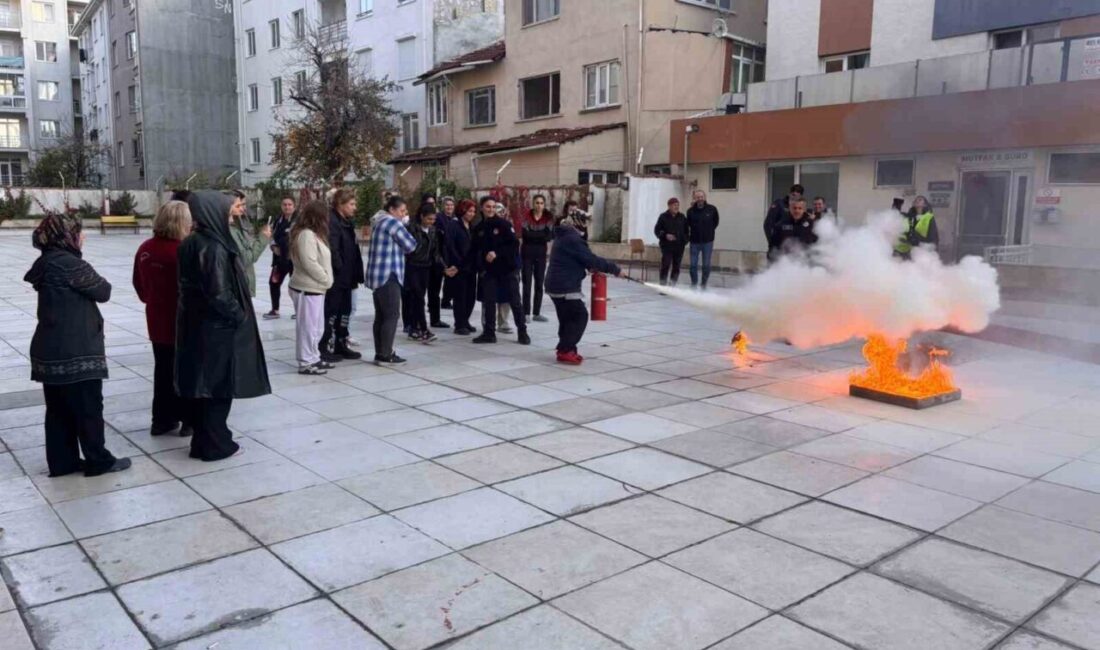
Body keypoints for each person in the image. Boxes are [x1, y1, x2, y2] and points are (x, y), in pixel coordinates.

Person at [26, 213, 131, 477]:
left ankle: (63, 463)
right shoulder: (69, 263)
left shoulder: (46, 262)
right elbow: (103, 290)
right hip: (76, 350)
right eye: (78, 232)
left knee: (58, 410)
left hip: (49, 349)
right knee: (88, 407)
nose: (82, 236)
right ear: (67, 236)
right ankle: (98, 460)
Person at [176, 192, 271, 461]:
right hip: (216, 329)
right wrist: (239, 315)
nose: (231, 214)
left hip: (199, 326)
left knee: (206, 387)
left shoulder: (192, 243)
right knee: (218, 387)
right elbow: (218, 293)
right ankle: (215, 443)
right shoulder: (213, 247)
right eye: (227, 210)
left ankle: (205, 440)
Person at [133, 200, 193, 437]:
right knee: (186, 371)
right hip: (181, 322)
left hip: (156, 321)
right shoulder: (182, 251)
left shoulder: (146, 248)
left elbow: (138, 284)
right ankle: (189, 418)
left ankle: (162, 419)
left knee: (163, 370)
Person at [545, 209, 625, 365]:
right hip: (565, 286)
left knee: (567, 319)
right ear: (578, 223)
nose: (586, 226)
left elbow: (578, 258)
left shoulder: (564, 235)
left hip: (555, 284)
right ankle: (566, 349)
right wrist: (615, 269)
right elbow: (590, 259)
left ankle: (567, 349)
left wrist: (587, 265)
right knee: (580, 316)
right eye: (585, 222)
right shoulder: (572, 238)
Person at [366, 195, 418, 364]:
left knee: (380, 317)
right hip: (389, 275)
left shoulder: (379, 222)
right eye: (402, 211)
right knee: (392, 316)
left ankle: (380, 352)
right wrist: (405, 225)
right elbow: (411, 245)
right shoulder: (392, 223)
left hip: (378, 276)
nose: (405, 214)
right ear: (392, 210)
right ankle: (385, 354)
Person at [473, 196, 529, 345]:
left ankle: (522, 332)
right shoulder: (478, 228)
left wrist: (497, 253)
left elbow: (513, 245)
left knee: (515, 302)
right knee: (489, 301)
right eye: (487, 207)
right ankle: (489, 333)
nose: (490, 210)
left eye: (493, 207)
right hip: (490, 272)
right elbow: (475, 250)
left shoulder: (503, 224)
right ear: (482, 208)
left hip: (507, 270)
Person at [288, 200, 334, 375]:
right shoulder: (306, 235)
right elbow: (309, 262)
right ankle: (306, 361)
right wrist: (326, 279)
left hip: (316, 288)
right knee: (308, 328)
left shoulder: (314, 234)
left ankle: (314, 357)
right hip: (307, 288)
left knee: (317, 327)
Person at [321, 188, 364, 362]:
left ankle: (341, 343)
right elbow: (333, 249)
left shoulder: (347, 222)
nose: (355, 208)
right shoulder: (333, 222)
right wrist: (340, 270)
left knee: (345, 312)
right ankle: (323, 346)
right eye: (352, 204)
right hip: (338, 279)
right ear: (341, 204)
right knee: (331, 312)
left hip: (348, 277)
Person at [404, 203, 454, 343]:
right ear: (421, 217)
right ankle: (423, 329)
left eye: (433, 219)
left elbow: (435, 253)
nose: (431, 222)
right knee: (418, 298)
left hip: (426, 267)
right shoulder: (411, 228)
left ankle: (414, 328)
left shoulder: (432, 231)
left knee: (419, 298)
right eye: (429, 219)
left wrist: (444, 267)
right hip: (413, 266)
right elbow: (410, 249)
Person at [227, 190, 272, 298]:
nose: (243, 208)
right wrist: (263, 238)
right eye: (239, 205)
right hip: (238, 286)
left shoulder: (236, 225)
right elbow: (246, 258)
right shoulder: (230, 231)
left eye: (243, 205)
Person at [444, 199, 479, 335]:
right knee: (460, 296)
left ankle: (465, 321)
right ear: (462, 210)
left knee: (470, 296)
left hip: (471, 266)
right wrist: (456, 263)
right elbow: (450, 246)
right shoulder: (454, 225)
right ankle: (459, 324)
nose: (472, 214)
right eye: (469, 211)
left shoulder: (471, 226)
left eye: (473, 211)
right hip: (459, 267)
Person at [521, 194, 553, 322]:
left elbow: (549, 236)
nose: (539, 205)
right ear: (533, 204)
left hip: (541, 255)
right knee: (526, 284)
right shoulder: (526, 216)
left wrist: (533, 235)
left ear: (544, 205)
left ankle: (536, 313)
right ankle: (526, 313)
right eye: (537, 203)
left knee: (539, 284)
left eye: (541, 203)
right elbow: (525, 235)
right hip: (526, 254)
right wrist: (540, 235)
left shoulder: (548, 218)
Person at [263, 196, 296, 319]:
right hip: (279, 259)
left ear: (294, 206)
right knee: (273, 282)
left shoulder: (298, 221)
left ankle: (299, 310)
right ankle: (275, 309)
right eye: (285, 204)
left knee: (295, 286)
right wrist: (273, 247)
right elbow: (271, 236)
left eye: (289, 204)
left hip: (294, 260)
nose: (287, 207)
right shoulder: (277, 220)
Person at [686, 189, 719, 289]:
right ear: (694, 198)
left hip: (707, 242)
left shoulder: (712, 209)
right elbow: (688, 224)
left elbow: (715, 222)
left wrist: (709, 232)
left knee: (706, 265)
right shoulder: (690, 211)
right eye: (697, 197)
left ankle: (703, 284)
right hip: (694, 242)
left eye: (701, 197)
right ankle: (694, 283)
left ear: (704, 198)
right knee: (693, 265)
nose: (700, 199)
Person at [765, 184, 804, 261]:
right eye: (793, 194)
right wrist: (772, 241)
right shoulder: (779, 204)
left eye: (797, 195)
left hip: (792, 249)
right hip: (777, 246)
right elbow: (768, 224)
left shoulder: (799, 207)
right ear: (790, 193)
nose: (794, 197)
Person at [654, 198, 687, 286]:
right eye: (674, 205)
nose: (676, 207)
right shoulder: (663, 216)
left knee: (676, 267)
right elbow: (657, 230)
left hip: (679, 246)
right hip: (667, 246)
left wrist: (684, 241)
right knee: (666, 265)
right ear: (669, 206)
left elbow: (687, 231)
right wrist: (665, 235)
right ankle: (663, 286)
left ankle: (672, 285)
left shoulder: (682, 217)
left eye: (677, 205)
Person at [895, 195, 939, 260]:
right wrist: (897, 203)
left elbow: (933, 236)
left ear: (925, 204)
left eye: (920, 200)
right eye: (916, 200)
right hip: (907, 250)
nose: (917, 201)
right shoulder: (908, 216)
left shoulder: (929, 217)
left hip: (921, 249)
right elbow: (894, 215)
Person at [439, 196, 458, 310]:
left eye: (451, 205)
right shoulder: (439, 218)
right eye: (447, 205)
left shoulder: (456, 219)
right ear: (443, 206)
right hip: (441, 251)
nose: (449, 207)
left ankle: (446, 300)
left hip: (452, 252)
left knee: (450, 279)